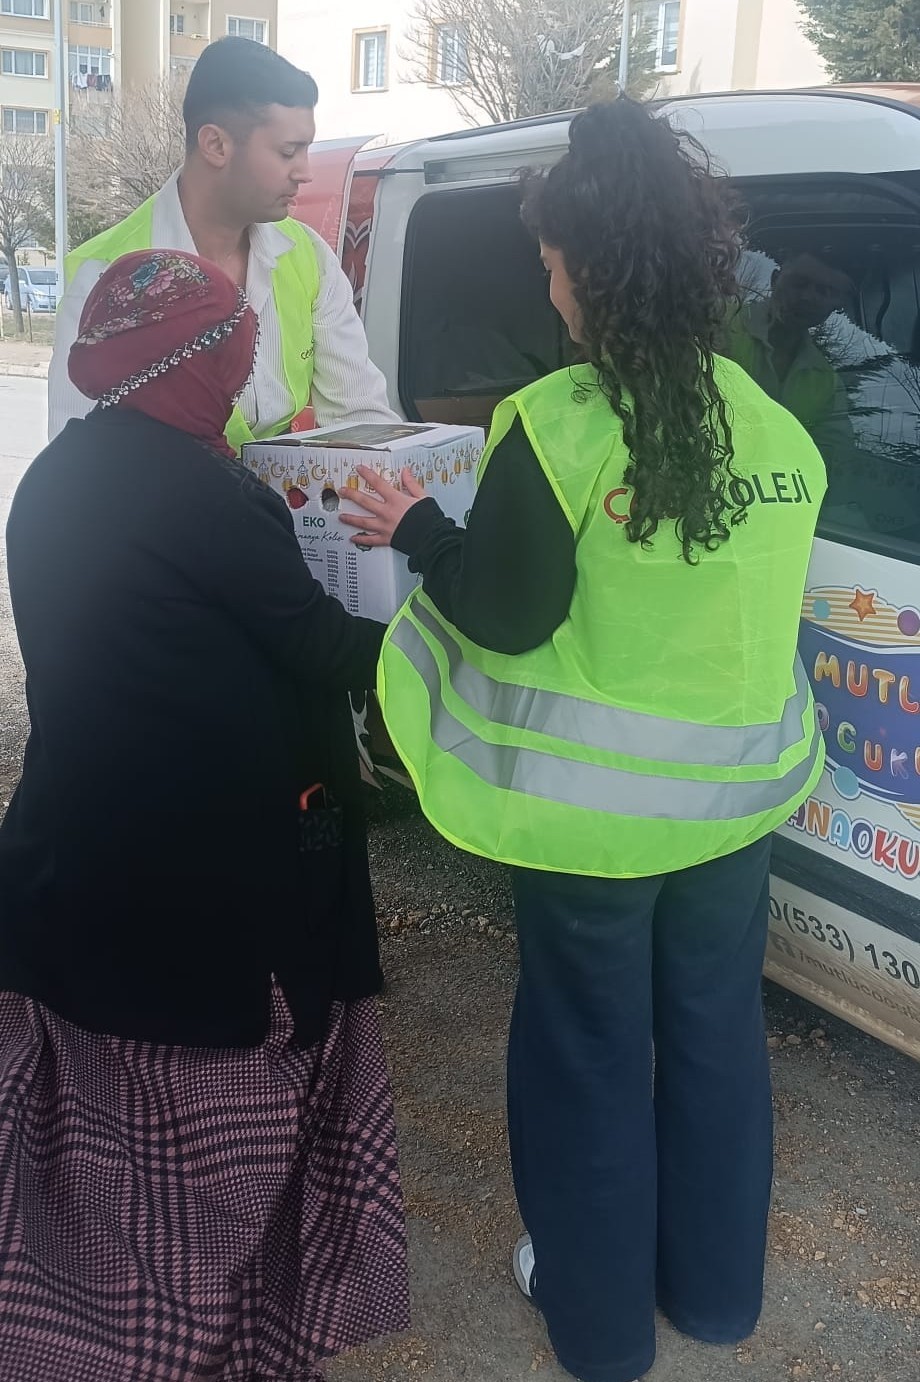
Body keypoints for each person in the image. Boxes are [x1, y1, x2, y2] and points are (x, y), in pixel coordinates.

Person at [339, 100, 827, 1382]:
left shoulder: (551, 424)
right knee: (716, 1039)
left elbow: (506, 614)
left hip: (591, 831)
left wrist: (413, 530)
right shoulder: (768, 424)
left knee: (590, 1055)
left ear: (590, 269)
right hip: (733, 818)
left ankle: (602, 1334)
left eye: (550, 260)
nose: (544, 283)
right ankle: (716, 1298)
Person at [0, 250, 408, 1381]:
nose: (245, 370)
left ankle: (81, 1329)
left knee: (98, 1155)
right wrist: (436, 611)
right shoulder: (203, 490)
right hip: (211, 898)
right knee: (211, 1177)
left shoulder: (57, 473)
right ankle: (194, 1351)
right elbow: (327, 649)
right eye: (234, 345)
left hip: (78, 872)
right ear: (197, 357)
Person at [49, 36, 398, 447]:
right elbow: (79, 460)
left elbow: (362, 419)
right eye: (289, 152)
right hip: (164, 507)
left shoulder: (307, 255)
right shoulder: (106, 273)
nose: (305, 172)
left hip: (277, 506)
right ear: (215, 144)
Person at [724, 251, 855, 458]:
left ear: (836, 304)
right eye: (799, 283)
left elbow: (835, 456)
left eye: (823, 291)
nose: (807, 297)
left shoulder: (825, 380)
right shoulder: (719, 327)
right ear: (775, 280)